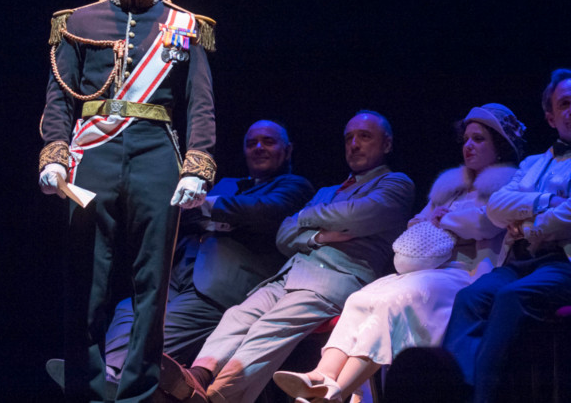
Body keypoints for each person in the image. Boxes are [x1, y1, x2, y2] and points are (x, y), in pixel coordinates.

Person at [37, 0, 217, 402]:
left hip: (156, 153)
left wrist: (197, 165)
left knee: (152, 283)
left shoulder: (184, 25)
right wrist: (55, 153)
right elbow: (59, 99)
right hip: (93, 153)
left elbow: (200, 103)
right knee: (86, 280)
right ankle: (88, 391)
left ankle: (138, 393)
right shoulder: (78, 21)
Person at [271, 104, 526, 403]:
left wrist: (444, 221)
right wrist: (439, 221)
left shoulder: (509, 186)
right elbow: (415, 223)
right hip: (428, 268)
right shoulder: (453, 187)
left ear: (499, 146)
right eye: (466, 138)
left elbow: (485, 223)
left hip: (466, 274)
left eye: (479, 139)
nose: (468, 145)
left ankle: (337, 392)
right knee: (361, 298)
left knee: (391, 303)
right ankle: (323, 374)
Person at [45, 121, 315, 397]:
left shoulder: (296, 185)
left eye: (268, 141)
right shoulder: (228, 184)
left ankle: (113, 378)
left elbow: (267, 211)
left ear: (287, 150)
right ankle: (110, 374)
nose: (258, 147)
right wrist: (222, 218)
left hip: (218, 287)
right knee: (130, 307)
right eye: (251, 143)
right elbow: (183, 216)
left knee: (159, 327)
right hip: (179, 273)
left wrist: (207, 207)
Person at [161, 111, 415, 403]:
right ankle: (199, 375)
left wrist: (305, 217)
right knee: (237, 316)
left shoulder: (396, 183)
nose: (354, 144)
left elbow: (359, 214)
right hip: (288, 276)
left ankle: (216, 397)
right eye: (349, 138)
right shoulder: (327, 191)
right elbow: (284, 234)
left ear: (387, 144)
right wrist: (318, 236)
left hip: (334, 280)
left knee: (268, 330)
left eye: (365, 136)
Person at [443, 69, 571, 402]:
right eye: (564, 104)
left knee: (512, 297)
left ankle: (483, 398)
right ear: (550, 117)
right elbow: (497, 207)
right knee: (469, 298)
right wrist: (546, 201)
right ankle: (456, 394)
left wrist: (527, 227)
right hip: (520, 262)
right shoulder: (531, 164)